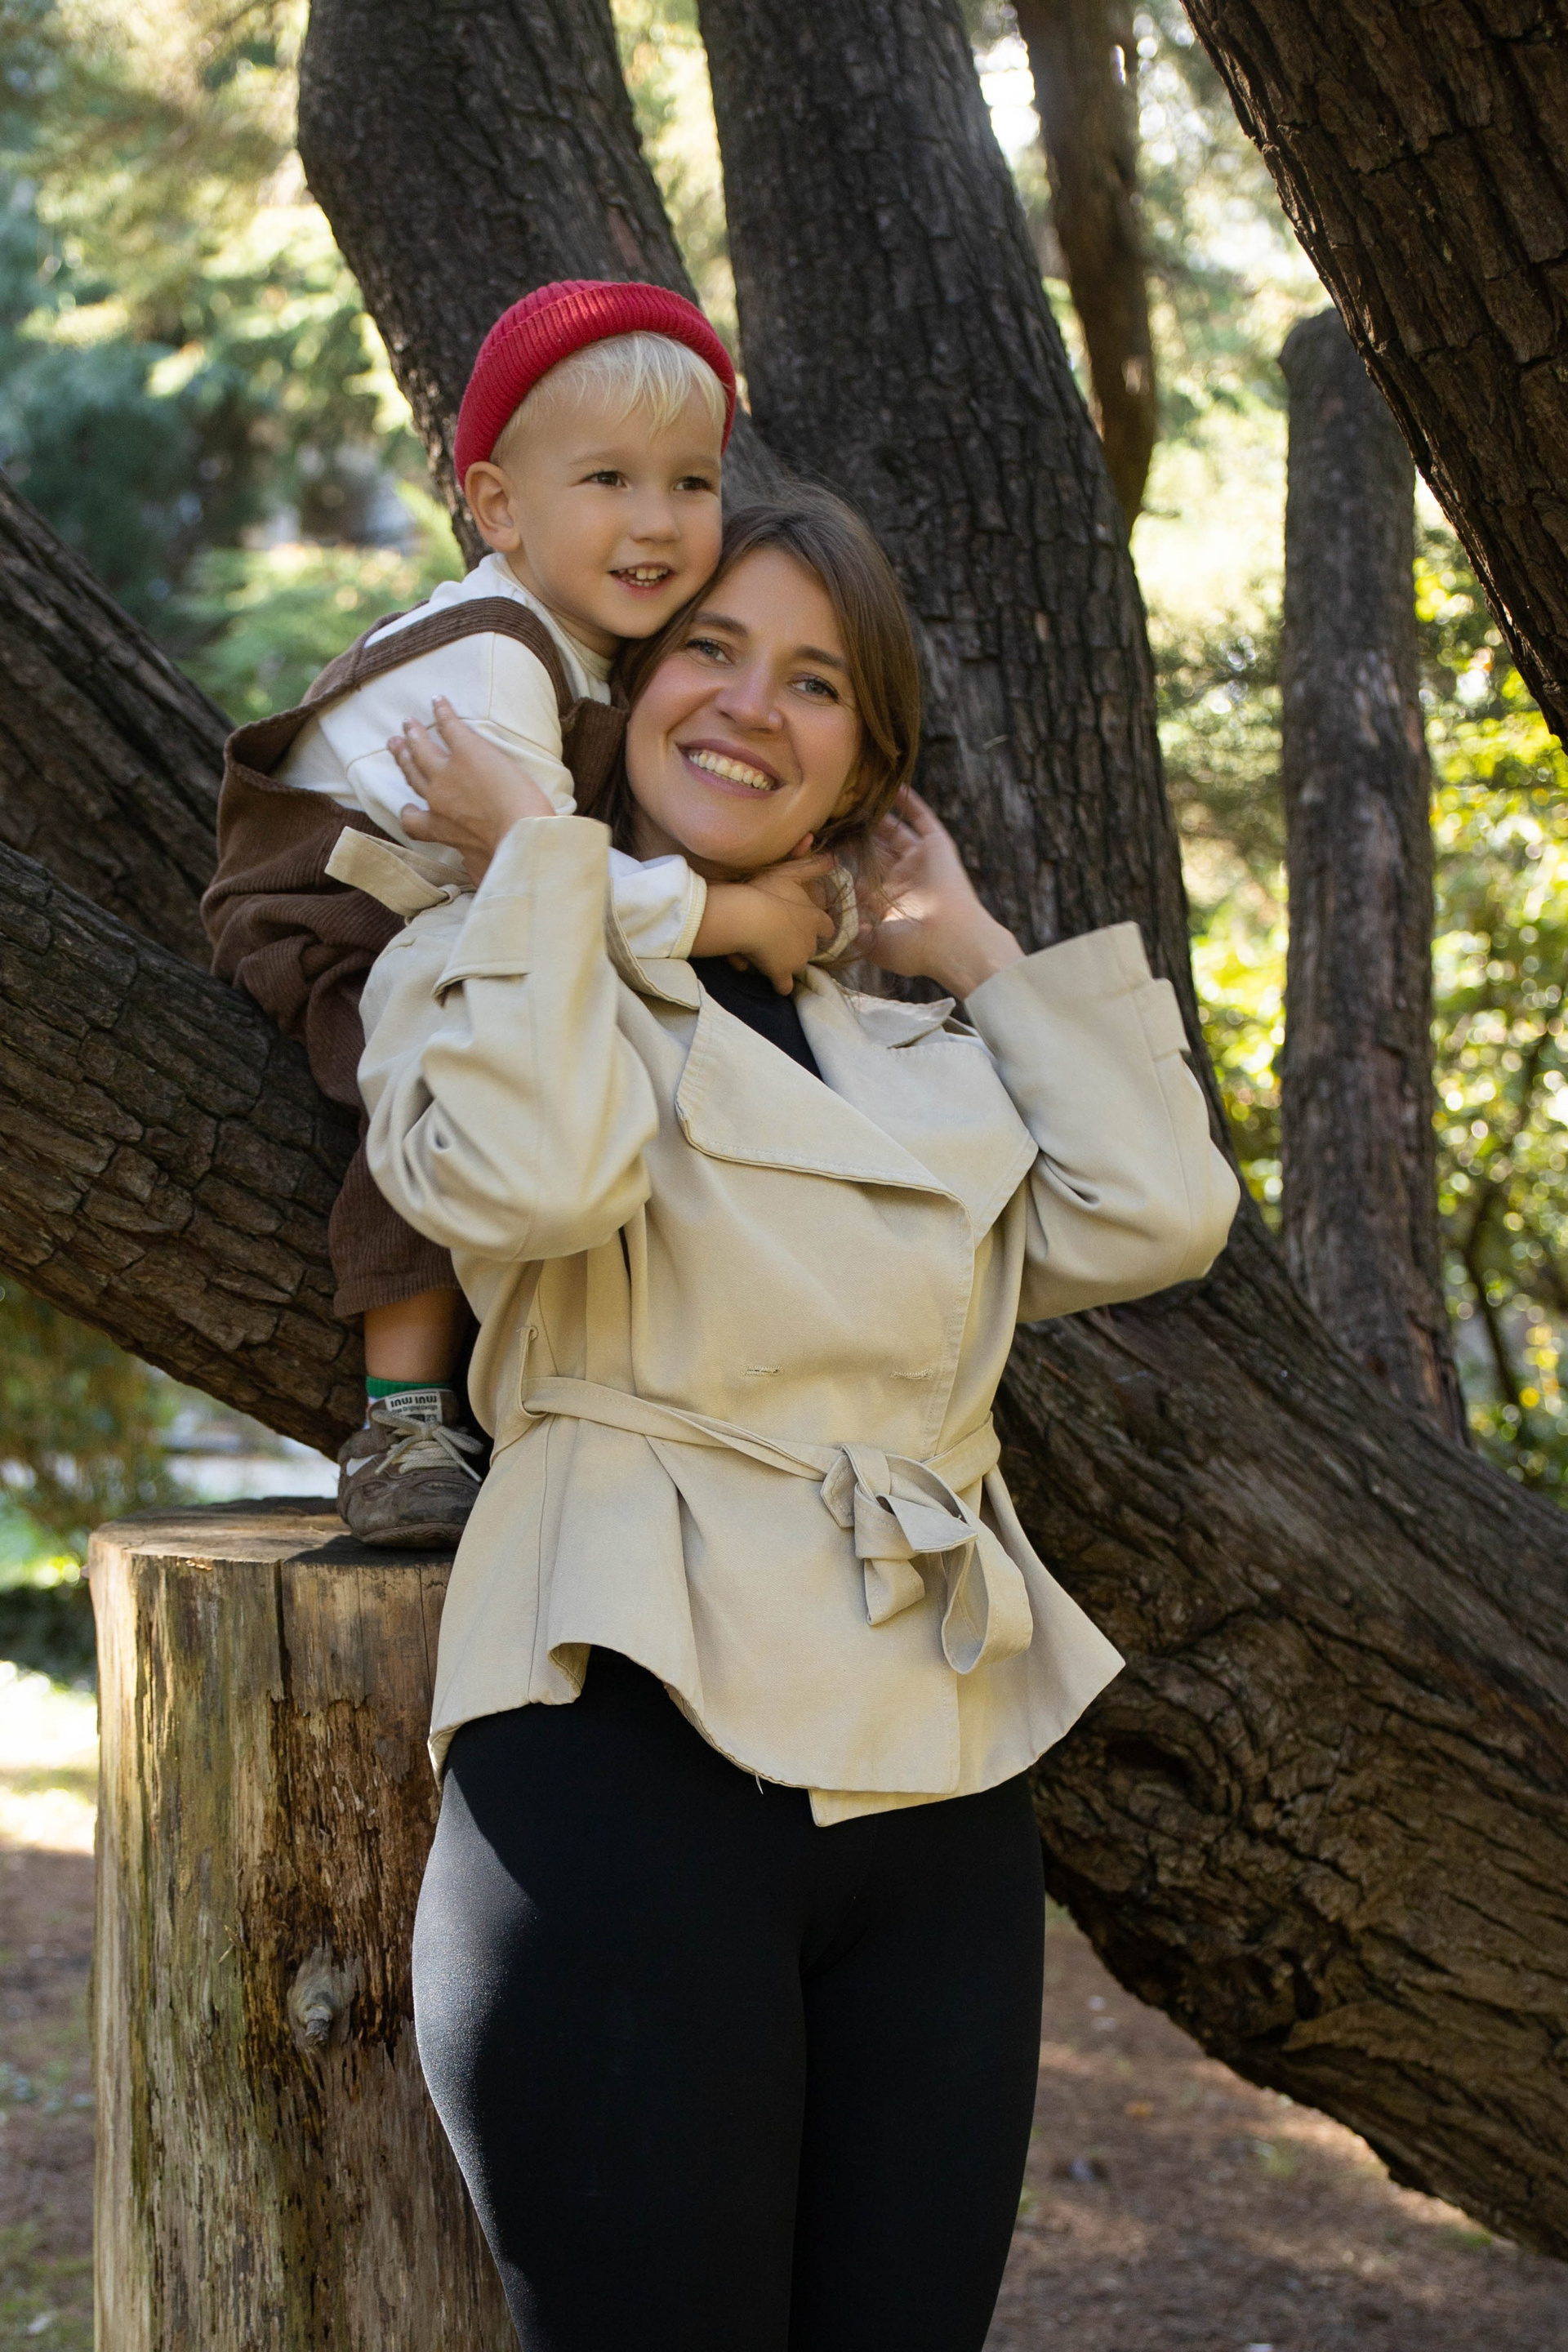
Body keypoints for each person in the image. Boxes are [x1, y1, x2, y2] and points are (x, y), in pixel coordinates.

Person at [353, 488, 1240, 2350]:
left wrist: (970, 947)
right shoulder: (485, 958)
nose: (753, 704)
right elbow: (529, 1186)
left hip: (938, 1774)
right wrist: (542, 870)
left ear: (866, 762)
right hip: (621, 1742)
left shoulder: (919, 1052)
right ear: (629, 693)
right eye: (711, 648)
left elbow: (1162, 1213)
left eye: (817, 680)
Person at [200, 280, 838, 1548]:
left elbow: (548, 881)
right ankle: (401, 1420)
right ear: (497, 506)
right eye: (607, 480)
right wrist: (741, 918)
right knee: (454, 1063)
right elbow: (554, 893)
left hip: (457, 898)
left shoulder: (589, 643)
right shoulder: (492, 657)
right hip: (334, 916)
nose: (656, 520)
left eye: (692, 482)